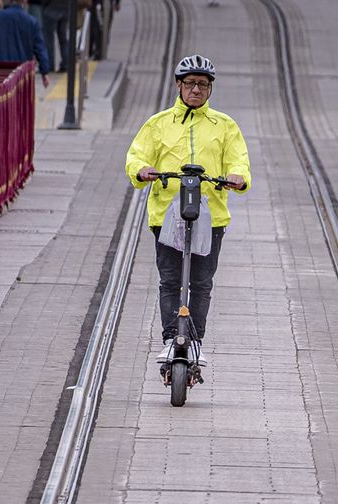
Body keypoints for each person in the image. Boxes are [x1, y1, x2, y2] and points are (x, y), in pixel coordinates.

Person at [125, 55, 252, 367]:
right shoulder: (157, 124)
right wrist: (142, 170)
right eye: (191, 84)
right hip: (167, 215)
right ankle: (171, 339)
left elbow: (239, 160)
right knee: (169, 280)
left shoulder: (225, 126)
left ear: (210, 90)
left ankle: (194, 342)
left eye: (204, 85)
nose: (197, 90)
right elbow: (135, 155)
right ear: (178, 85)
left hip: (211, 217)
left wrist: (238, 176)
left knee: (201, 283)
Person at [0, 0, 51, 83]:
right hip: (21, 70)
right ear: (25, 1)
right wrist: (45, 72)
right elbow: (40, 48)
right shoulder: (32, 21)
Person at [41, 0, 73, 71]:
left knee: (48, 38)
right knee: (63, 38)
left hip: (51, 8)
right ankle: (66, 63)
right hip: (65, 8)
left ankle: (49, 65)